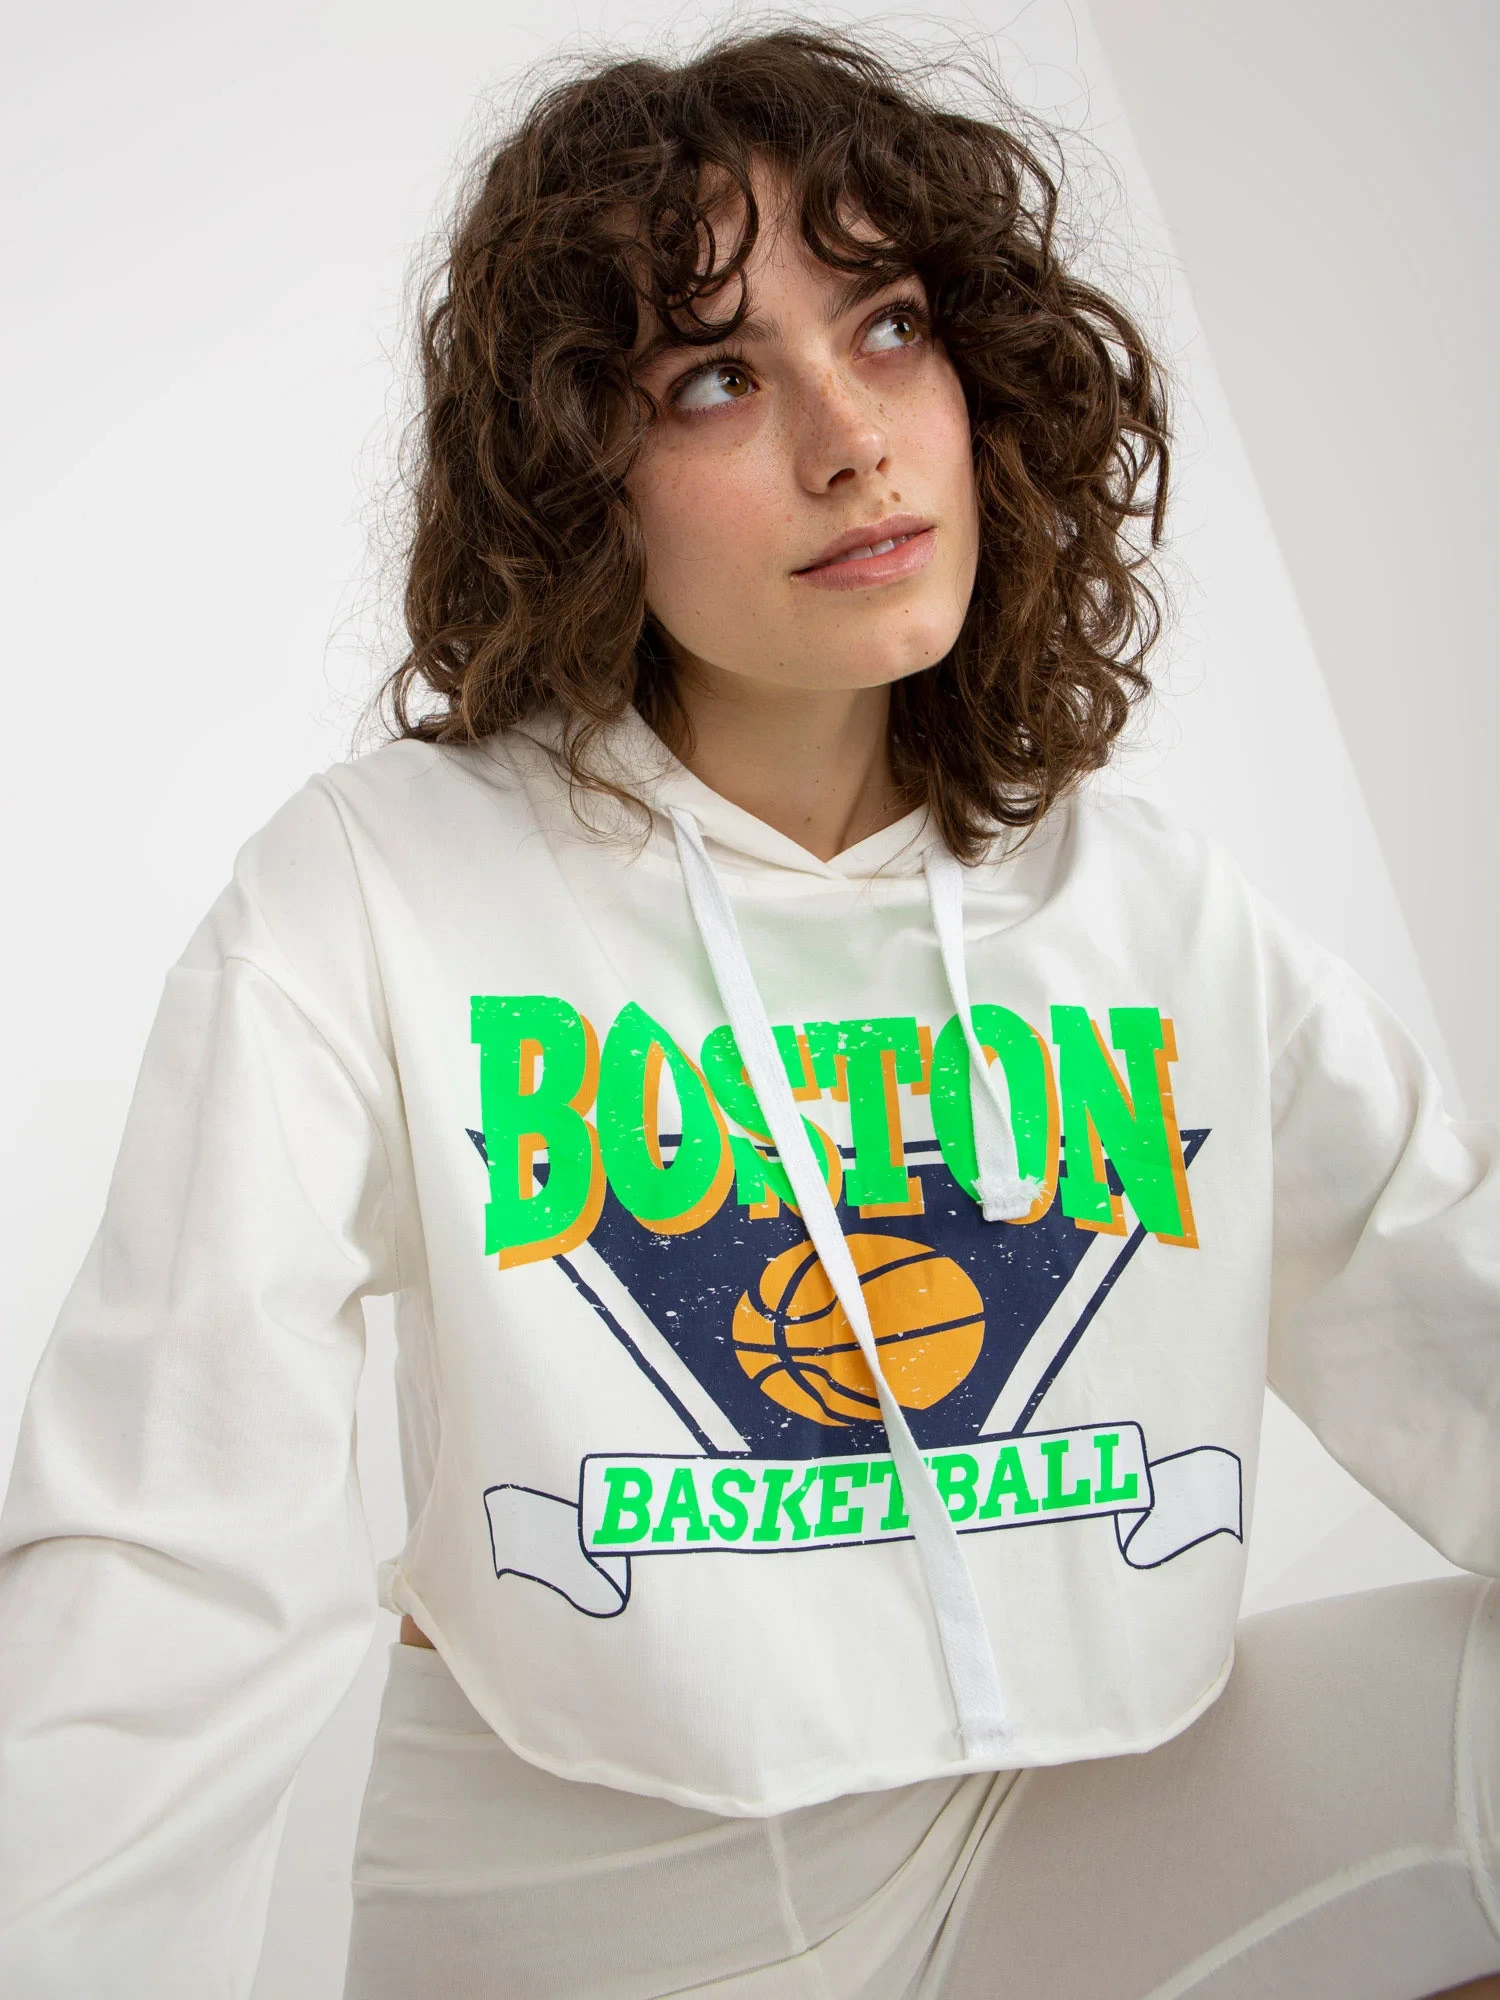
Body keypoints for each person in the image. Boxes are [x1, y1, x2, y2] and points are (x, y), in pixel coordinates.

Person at [0, 26, 1496, 2000]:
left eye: (889, 328)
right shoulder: (376, 888)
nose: (851, 438)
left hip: (1052, 1838)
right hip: (601, 1910)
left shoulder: (1139, 903)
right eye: (716, 376)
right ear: (579, 481)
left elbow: (1453, 1313)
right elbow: (165, 1552)